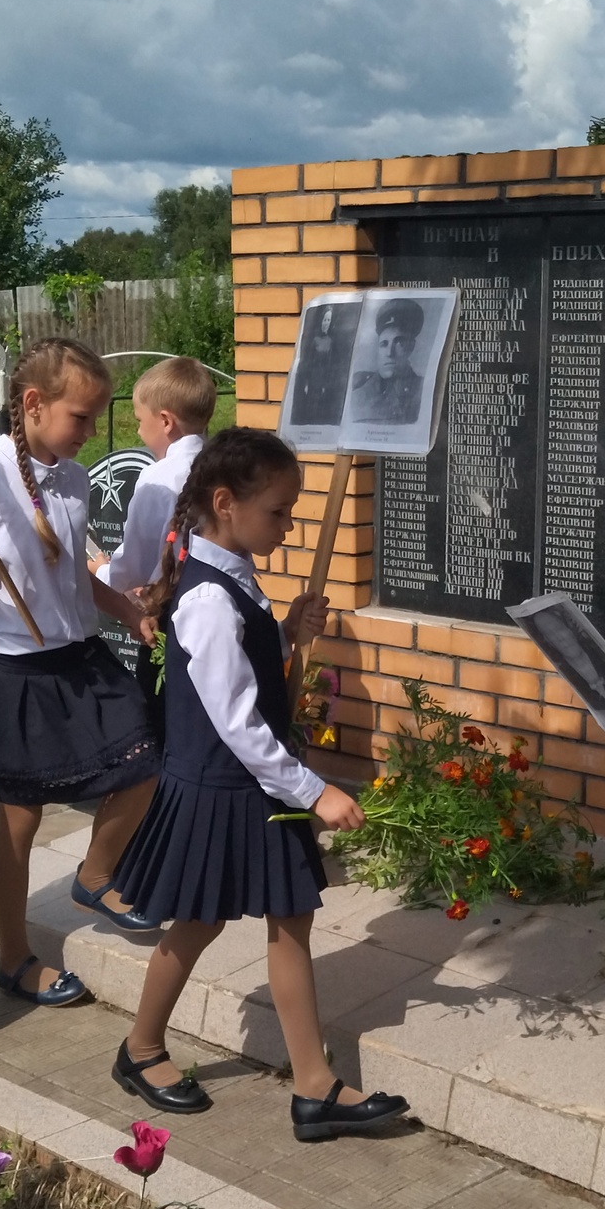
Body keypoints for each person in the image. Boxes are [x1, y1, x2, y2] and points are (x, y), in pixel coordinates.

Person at [108, 428, 411, 1143]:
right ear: (224, 503)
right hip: (222, 785)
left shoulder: (230, 572)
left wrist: (284, 634)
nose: (288, 523)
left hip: (251, 784)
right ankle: (140, 1048)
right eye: (278, 511)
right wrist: (317, 792)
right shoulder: (208, 598)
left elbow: (243, 666)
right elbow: (238, 721)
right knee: (197, 921)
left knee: (291, 916)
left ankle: (314, 1088)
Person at [0, 337, 163, 1004]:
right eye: (82, 417)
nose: (92, 431)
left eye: (98, 418)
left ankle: (94, 875)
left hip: (80, 658)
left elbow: (71, 574)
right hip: (17, 673)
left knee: (147, 759)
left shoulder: (71, 478)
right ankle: (15, 956)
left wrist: (124, 608)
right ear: (33, 404)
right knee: (21, 819)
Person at [100, 355, 216, 596]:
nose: (138, 430)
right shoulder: (222, 465)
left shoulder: (157, 478)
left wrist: (102, 571)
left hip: (174, 602)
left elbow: (134, 566)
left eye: (140, 420)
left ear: (165, 422)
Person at [347, 297, 426, 426]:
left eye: (399, 342)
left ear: (411, 346)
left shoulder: (424, 391)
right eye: (384, 344)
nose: (389, 353)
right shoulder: (358, 387)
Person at [285, 300, 359, 427]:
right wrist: (307, 383)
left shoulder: (332, 341)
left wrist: (328, 381)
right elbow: (307, 362)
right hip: (313, 379)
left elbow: (333, 364)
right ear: (320, 322)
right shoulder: (314, 340)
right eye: (325, 320)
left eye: (328, 321)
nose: (326, 324)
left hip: (327, 379)